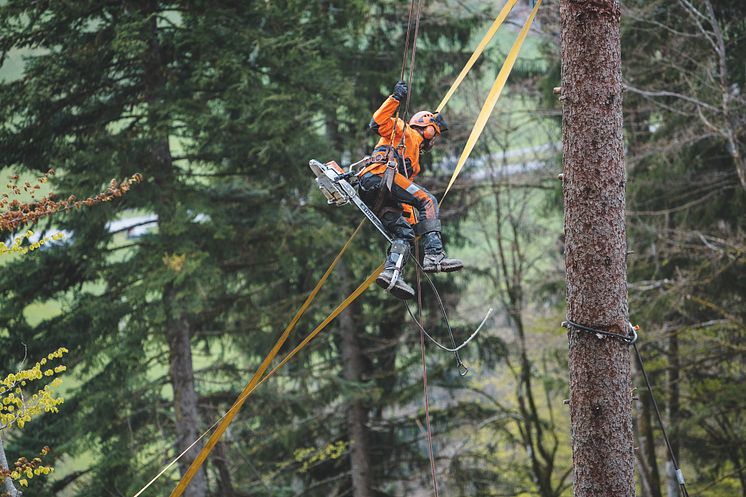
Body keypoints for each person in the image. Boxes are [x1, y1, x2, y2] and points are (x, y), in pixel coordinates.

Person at [357, 80, 463, 300]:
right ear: (427, 126)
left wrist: (415, 225)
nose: (434, 139)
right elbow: (377, 123)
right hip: (379, 176)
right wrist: (395, 98)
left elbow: (405, 197)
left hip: (378, 191)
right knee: (428, 200)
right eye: (435, 133)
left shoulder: (413, 160)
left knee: (404, 234)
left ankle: (391, 274)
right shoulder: (403, 130)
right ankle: (434, 255)